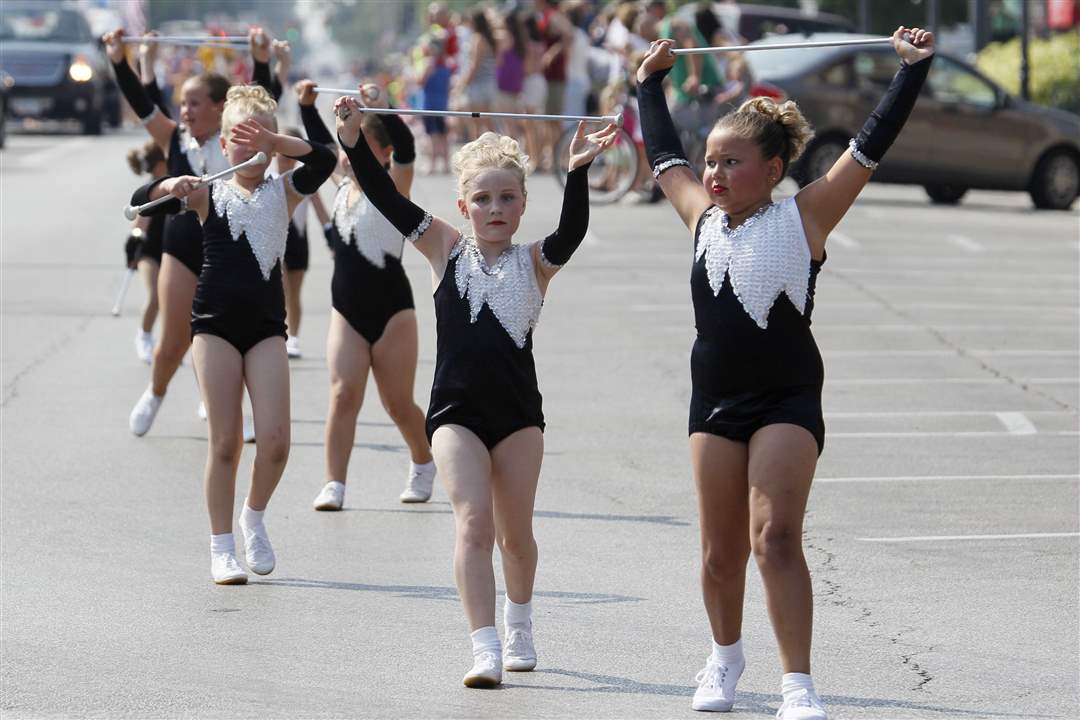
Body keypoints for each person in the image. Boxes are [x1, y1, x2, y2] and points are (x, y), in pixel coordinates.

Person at [636, 27, 935, 718]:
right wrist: (650, 83)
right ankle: (724, 658)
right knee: (720, 554)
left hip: (787, 399)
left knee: (773, 538)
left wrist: (911, 71)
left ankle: (798, 683)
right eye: (711, 161)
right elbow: (663, 154)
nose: (713, 174)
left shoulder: (807, 217)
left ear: (772, 169)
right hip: (715, 400)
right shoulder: (701, 219)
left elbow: (869, 147)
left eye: (731, 162)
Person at [335, 86, 616, 687]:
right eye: (483, 199)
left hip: (518, 417)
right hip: (454, 414)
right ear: (463, 206)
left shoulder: (536, 262)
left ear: (522, 205)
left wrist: (576, 172)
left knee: (516, 538)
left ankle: (519, 623)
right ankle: (483, 646)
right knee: (473, 523)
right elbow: (385, 196)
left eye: (507, 198)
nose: (495, 208)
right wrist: (354, 139)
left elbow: (572, 231)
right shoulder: (444, 248)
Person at [129, 85, 335, 585]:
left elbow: (325, 159)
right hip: (214, 325)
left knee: (277, 443)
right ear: (223, 146)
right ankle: (221, 547)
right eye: (239, 139)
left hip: (266, 328)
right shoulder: (207, 192)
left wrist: (277, 142)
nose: (250, 147)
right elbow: (140, 203)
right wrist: (169, 185)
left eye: (259, 138)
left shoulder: (285, 191)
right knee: (225, 443)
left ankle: (253, 516)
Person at [103, 27, 278, 436]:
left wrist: (261, 60)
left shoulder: (237, 139)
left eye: (194, 103)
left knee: (229, 335)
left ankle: (220, 404)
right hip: (181, 247)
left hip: (229, 249)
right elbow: (142, 103)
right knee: (173, 340)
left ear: (220, 108)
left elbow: (261, 99)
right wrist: (117, 60)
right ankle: (156, 392)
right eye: (182, 103)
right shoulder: (174, 138)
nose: (184, 111)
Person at [294, 80, 437, 509]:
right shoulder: (341, 185)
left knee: (397, 403)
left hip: (393, 313)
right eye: (347, 144)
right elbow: (323, 148)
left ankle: (423, 461)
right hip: (347, 311)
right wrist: (307, 107)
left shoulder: (395, 187)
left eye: (360, 144)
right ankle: (334, 483)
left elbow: (407, 148)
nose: (347, 155)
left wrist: (384, 108)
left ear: (384, 153)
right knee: (343, 395)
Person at [125, 140, 167, 363]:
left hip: (170, 250)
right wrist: (133, 245)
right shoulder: (151, 190)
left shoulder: (175, 184)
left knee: (173, 300)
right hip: (149, 252)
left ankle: (169, 343)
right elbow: (139, 226)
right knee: (155, 296)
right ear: (160, 164)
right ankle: (144, 336)